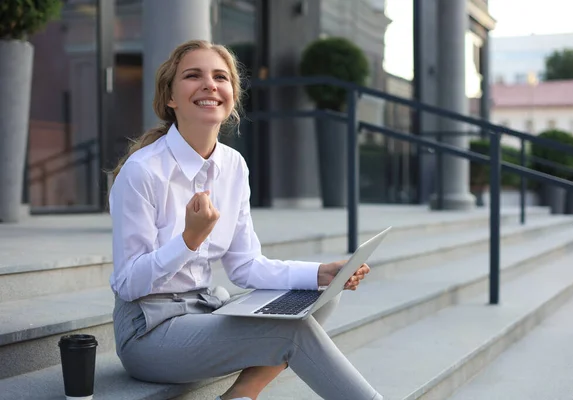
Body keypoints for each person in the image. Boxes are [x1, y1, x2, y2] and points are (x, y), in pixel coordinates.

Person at [108, 39, 383, 400]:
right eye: (193, 75)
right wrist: (188, 240)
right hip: (149, 331)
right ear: (171, 98)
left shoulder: (233, 166)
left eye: (220, 77)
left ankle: (241, 394)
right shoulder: (143, 171)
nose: (209, 84)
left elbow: (245, 266)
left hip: (204, 309)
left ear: (231, 96)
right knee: (292, 331)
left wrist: (321, 273)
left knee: (319, 297)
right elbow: (128, 285)